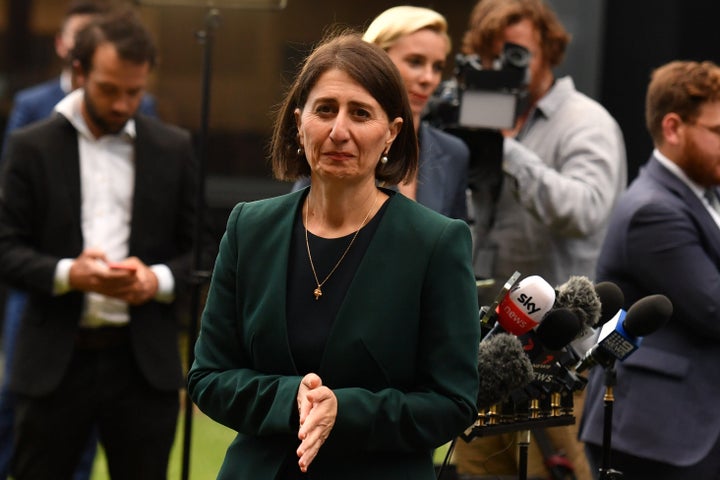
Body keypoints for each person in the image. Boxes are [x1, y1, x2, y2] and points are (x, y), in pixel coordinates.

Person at [187, 32, 480, 480]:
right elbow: (208, 377)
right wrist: (289, 398)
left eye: (360, 113)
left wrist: (346, 409)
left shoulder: (435, 242)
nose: (338, 131)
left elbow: (453, 401)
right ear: (299, 123)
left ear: (392, 134)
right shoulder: (249, 227)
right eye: (325, 110)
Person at [0, 7, 197, 479]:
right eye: (110, 89)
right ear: (79, 72)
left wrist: (157, 279)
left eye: (135, 91)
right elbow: (5, 247)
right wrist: (70, 273)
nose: (123, 105)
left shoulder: (173, 148)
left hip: (142, 366)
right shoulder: (31, 145)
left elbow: (203, 251)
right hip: (54, 364)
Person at [452, 1, 627, 479]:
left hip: (559, 358)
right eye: (489, 57)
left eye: (515, 53)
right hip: (488, 352)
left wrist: (509, 151)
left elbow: (587, 211)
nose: (502, 67)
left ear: (549, 49)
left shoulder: (586, 121)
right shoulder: (481, 119)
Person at [579, 60, 720, 479]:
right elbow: (714, 309)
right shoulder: (653, 211)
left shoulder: (703, 193)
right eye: (717, 131)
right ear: (674, 127)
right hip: (660, 435)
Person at [293, 6, 470, 221]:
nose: (428, 78)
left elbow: (458, 243)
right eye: (415, 62)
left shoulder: (453, 153)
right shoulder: (333, 143)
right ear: (375, 60)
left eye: (437, 67)